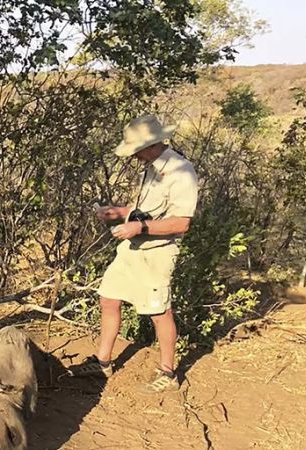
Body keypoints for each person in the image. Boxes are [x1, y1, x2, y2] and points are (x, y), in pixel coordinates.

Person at [67, 114, 199, 394]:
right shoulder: (152, 167)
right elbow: (145, 208)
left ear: (151, 145)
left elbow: (181, 222)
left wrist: (140, 226)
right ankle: (103, 362)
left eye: (136, 150)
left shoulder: (181, 171)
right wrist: (120, 212)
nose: (135, 156)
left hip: (158, 252)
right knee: (109, 298)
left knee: (159, 311)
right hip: (133, 247)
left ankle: (168, 371)